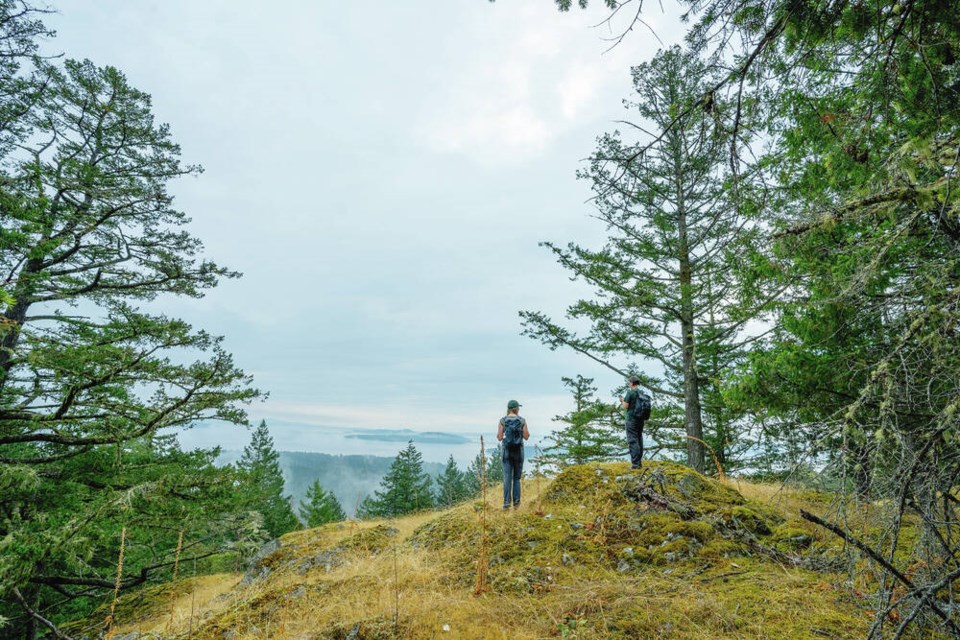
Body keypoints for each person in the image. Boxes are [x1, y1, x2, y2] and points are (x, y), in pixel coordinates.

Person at [497, 399, 529, 510]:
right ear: (516, 409)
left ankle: (506, 504)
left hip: (507, 452)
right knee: (516, 478)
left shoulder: (503, 420)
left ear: (508, 409)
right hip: (518, 452)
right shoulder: (522, 420)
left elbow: (500, 437)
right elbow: (526, 436)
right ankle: (516, 504)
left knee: (507, 478)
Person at [619, 376, 645, 470]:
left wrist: (622, 400)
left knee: (632, 440)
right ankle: (639, 462)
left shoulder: (630, 393)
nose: (628, 383)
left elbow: (626, 406)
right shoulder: (641, 393)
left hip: (631, 419)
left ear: (632, 383)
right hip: (640, 420)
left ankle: (635, 464)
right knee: (639, 439)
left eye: (629, 382)